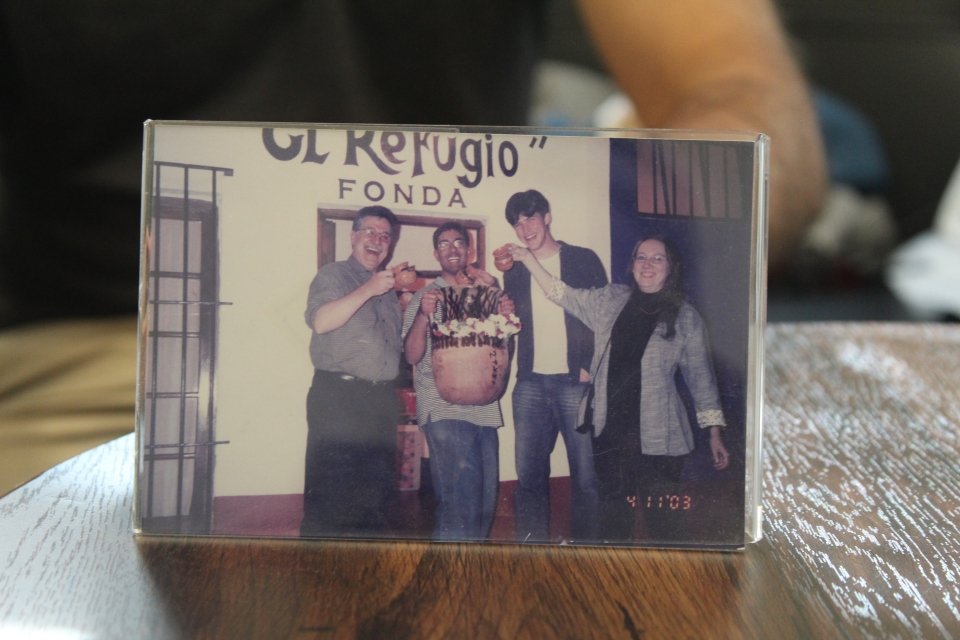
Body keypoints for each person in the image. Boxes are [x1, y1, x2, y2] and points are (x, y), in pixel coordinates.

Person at [0, 0, 825, 494]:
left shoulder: (545, 271)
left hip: (481, 393)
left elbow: (739, 95)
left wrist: (683, 255)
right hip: (93, 351)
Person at [506, 234, 730, 543]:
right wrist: (528, 259)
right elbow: (562, 293)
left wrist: (714, 430)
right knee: (613, 521)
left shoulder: (686, 317)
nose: (647, 265)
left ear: (670, 267)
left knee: (665, 524)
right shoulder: (611, 300)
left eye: (657, 258)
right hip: (610, 433)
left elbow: (701, 378)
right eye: (641, 257)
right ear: (632, 264)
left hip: (659, 437)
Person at [501, 189, 606, 543]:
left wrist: (590, 364)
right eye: (517, 222)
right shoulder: (514, 269)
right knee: (528, 476)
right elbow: (514, 321)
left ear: (547, 217)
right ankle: (532, 552)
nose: (524, 227)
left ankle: (588, 552)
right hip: (530, 382)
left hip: (575, 382)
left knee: (587, 477)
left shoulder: (582, 259)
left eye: (530, 217)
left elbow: (602, 315)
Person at [402, 221, 515, 540]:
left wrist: (506, 317)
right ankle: (450, 580)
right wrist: (424, 315)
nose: (452, 249)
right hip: (443, 408)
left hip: (485, 411)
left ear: (470, 250)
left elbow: (502, 352)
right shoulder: (425, 296)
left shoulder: (487, 295)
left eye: (459, 243)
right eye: (444, 244)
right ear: (436, 252)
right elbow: (411, 356)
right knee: (458, 502)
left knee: (484, 503)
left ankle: (470, 578)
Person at [301, 205, 403, 537]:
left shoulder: (388, 292)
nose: (377, 240)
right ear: (353, 236)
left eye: (385, 236)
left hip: (380, 402)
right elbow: (321, 321)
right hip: (339, 399)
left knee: (375, 497)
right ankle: (320, 582)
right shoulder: (334, 275)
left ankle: (365, 579)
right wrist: (370, 288)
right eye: (370, 232)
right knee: (332, 497)